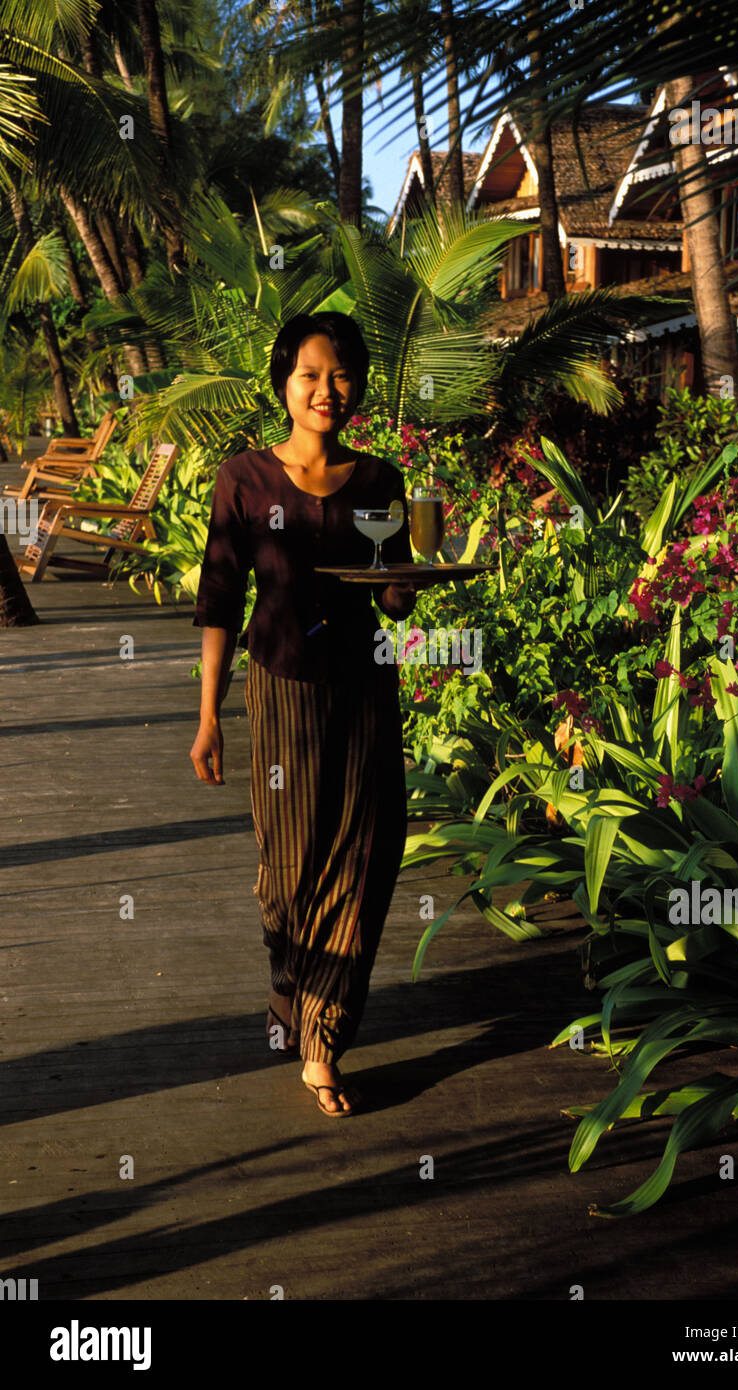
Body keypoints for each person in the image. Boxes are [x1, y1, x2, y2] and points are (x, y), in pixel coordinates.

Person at [189, 312, 417, 1116]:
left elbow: (392, 597)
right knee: (285, 872)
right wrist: (209, 715)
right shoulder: (244, 478)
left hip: (361, 687)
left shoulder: (380, 480)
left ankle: (323, 1040)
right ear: (284, 381)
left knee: (360, 858)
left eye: (343, 373)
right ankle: (290, 983)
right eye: (312, 374)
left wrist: (416, 565)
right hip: (280, 685)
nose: (328, 390)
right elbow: (220, 598)